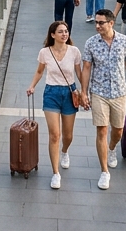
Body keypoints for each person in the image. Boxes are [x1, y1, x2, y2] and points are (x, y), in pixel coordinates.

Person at [79, 9, 126, 190]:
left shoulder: (124, 41)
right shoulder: (91, 43)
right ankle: (104, 171)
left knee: (117, 131)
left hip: (119, 92)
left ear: (111, 23)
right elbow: (86, 68)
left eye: (101, 22)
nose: (97, 25)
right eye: (96, 22)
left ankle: (112, 147)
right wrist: (84, 92)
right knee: (102, 130)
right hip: (98, 92)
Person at [26, 21, 82, 190]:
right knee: (54, 135)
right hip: (51, 93)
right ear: (52, 35)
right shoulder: (45, 52)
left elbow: (79, 73)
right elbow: (39, 71)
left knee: (68, 135)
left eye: (66, 31)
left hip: (70, 92)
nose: (64, 34)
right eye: (60, 32)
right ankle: (55, 173)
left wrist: (84, 92)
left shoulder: (74, 51)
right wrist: (32, 86)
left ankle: (64, 151)